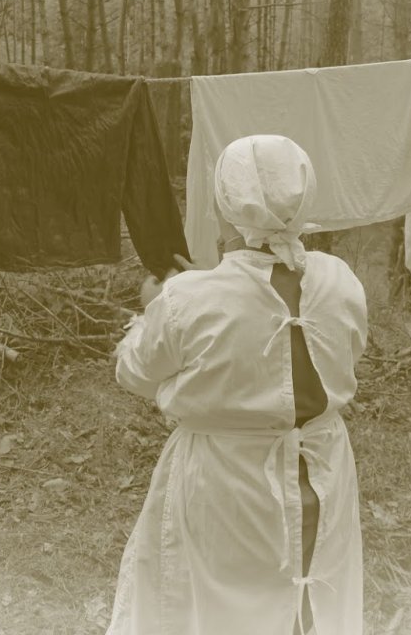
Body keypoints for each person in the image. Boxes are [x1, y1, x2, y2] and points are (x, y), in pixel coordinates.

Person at [106, 134, 370, 635]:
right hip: (323, 471)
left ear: (225, 207)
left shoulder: (187, 297)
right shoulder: (340, 281)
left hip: (224, 485)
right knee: (312, 602)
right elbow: (339, 354)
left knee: (219, 613)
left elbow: (135, 373)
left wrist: (155, 307)